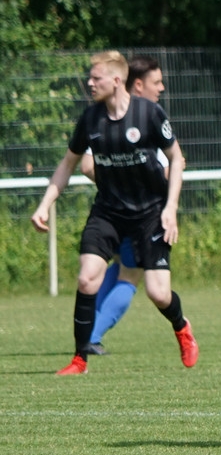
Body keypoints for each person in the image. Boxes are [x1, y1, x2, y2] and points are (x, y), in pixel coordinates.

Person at [30, 51, 199, 375]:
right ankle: (80, 359)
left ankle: (181, 326)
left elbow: (176, 158)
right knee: (86, 278)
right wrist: (44, 204)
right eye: (90, 77)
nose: (90, 83)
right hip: (108, 211)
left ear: (117, 80)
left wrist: (171, 208)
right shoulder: (90, 119)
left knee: (158, 293)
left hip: (151, 213)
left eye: (96, 78)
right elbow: (68, 164)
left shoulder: (148, 113)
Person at [80, 55, 171, 355]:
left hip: (125, 211)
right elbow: (86, 163)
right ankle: (91, 338)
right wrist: (123, 186)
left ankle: (88, 334)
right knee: (131, 274)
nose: (161, 88)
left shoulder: (136, 115)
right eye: (157, 82)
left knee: (119, 268)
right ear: (138, 85)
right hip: (135, 212)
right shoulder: (128, 118)